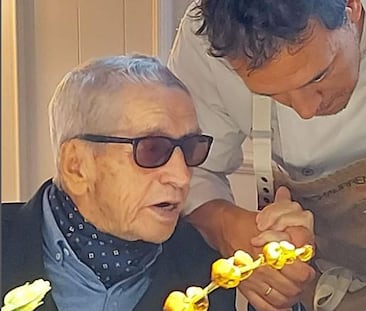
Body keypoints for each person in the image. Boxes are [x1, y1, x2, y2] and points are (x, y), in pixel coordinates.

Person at [168, 0, 366, 310]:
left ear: (352, 6)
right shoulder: (203, 40)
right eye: (271, 94)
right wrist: (231, 229)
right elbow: (191, 170)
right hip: (321, 292)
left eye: (318, 77)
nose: (306, 110)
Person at [1, 54, 236, 311]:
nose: (182, 176)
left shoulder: (207, 269)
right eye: (152, 149)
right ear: (77, 166)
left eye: (192, 148)